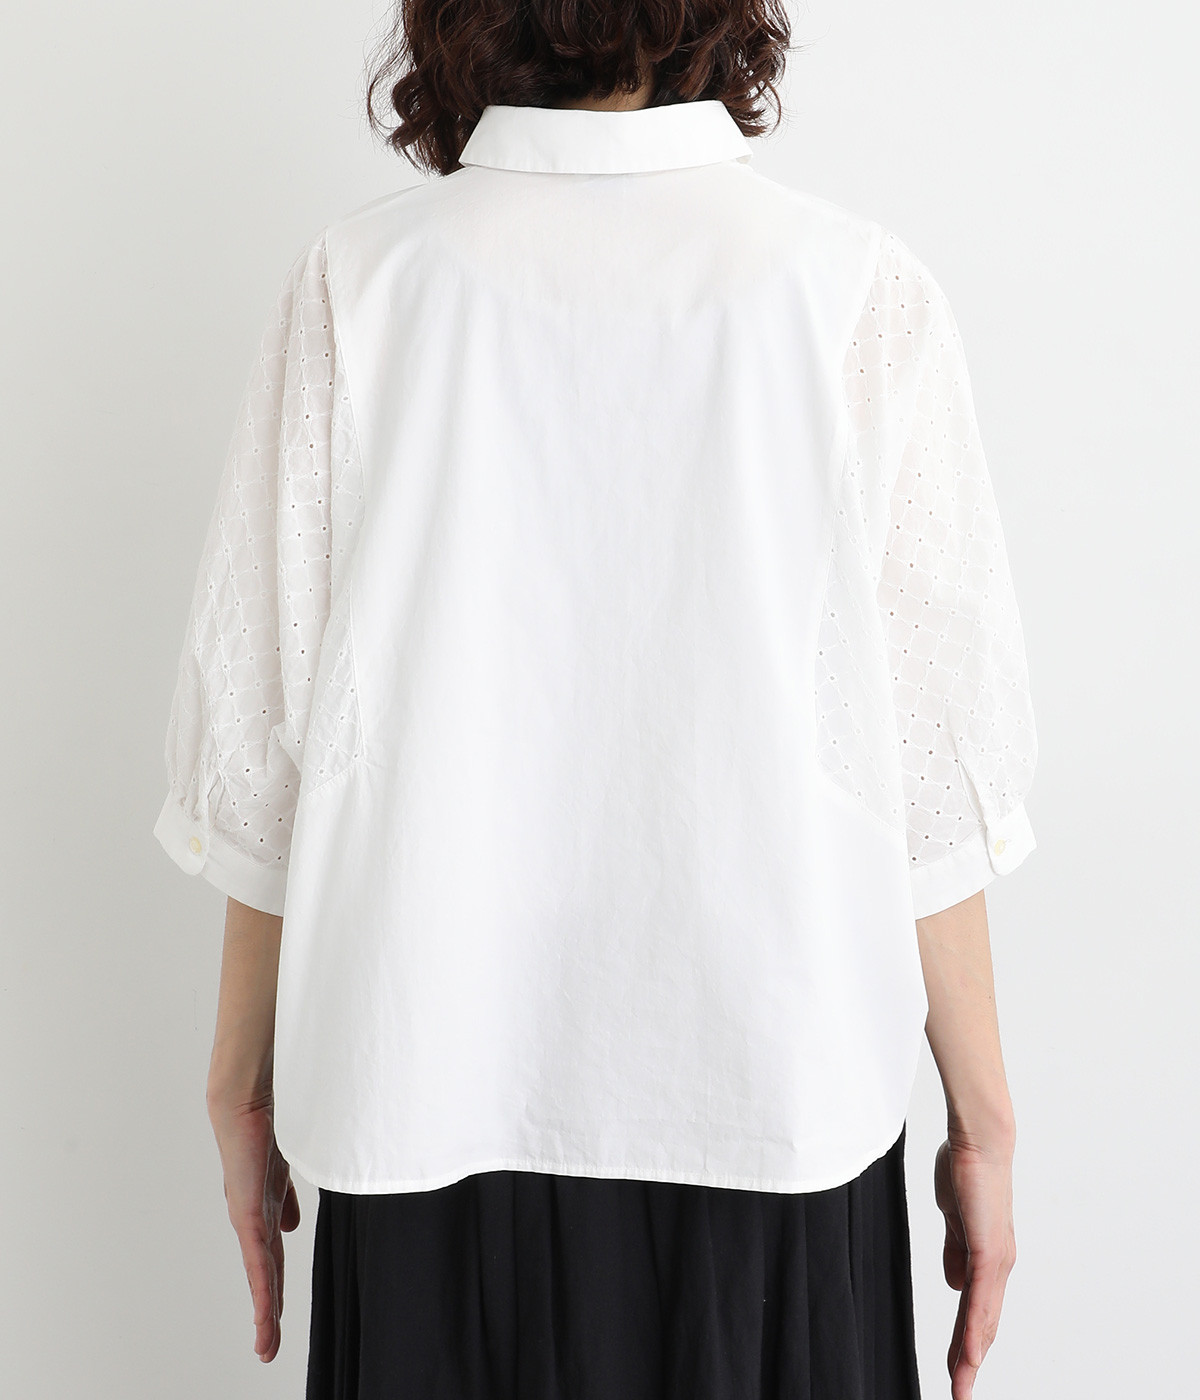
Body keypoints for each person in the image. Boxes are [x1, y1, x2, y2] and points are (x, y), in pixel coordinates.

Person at [153, 0, 1038, 1396]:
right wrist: (981, 1121)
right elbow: (927, 771)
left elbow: (266, 755)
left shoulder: (361, 286)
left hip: (427, 1093)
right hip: (773, 1103)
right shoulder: (853, 288)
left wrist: (239, 1076)